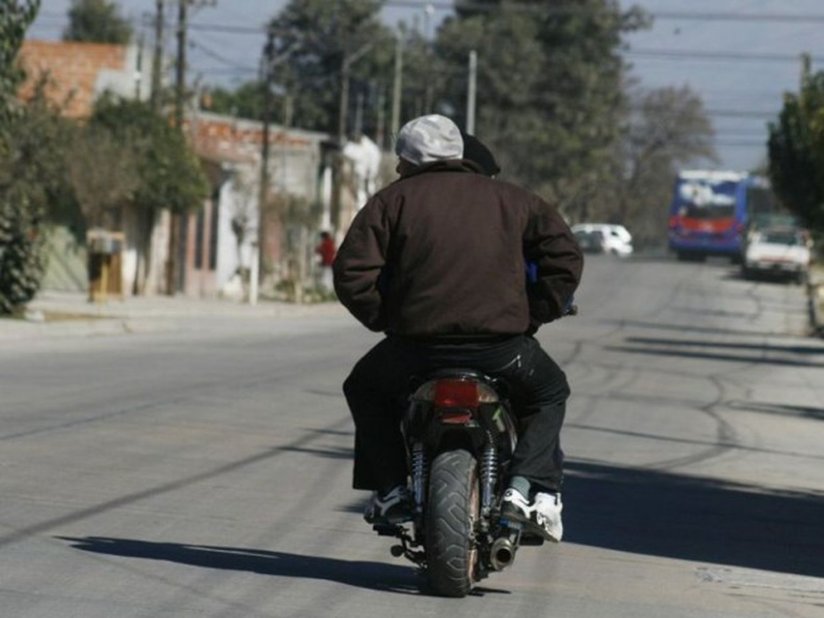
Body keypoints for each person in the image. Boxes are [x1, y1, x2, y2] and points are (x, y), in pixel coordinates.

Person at [333, 114, 583, 542]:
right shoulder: (515, 200)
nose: (397, 169)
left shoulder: (391, 201)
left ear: (411, 161)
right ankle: (523, 489)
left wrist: (386, 318)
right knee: (549, 392)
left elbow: (351, 274)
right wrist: (534, 313)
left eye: (401, 160)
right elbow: (566, 257)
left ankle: (392, 490)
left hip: (416, 348)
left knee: (365, 388)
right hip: (501, 348)